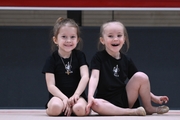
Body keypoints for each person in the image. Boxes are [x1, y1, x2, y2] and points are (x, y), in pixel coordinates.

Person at [86, 20, 169, 116]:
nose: (115, 39)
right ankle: (131, 112)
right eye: (110, 36)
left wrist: (154, 97)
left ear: (124, 39)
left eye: (119, 35)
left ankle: (149, 107)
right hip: (106, 101)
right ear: (102, 40)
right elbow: (94, 77)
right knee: (96, 104)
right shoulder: (98, 57)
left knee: (141, 76)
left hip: (125, 98)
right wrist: (90, 96)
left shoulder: (126, 60)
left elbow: (140, 83)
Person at [42, 17, 90, 116]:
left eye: (72, 37)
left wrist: (76, 95)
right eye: (64, 37)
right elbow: (51, 86)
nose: (68, 40)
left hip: (77, 96)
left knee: (80, 109)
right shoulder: (51, 59)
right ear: (55, 40)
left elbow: (85, 77)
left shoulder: (80, 56)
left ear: (78, 40)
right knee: (55, 108)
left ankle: (72, 108)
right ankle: (51, 109)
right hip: (58, 97)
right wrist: (64, 98)